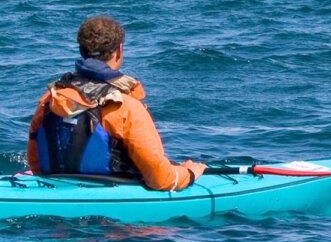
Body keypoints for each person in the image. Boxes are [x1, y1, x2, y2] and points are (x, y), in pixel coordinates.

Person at [26, 15, 206, 190]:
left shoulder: (51, 99)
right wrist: (188, 173)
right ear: (119, 50)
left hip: (55, 188)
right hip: (115, 208)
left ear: (82, 50)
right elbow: (161, 180)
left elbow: (36, 164)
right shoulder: (125, 107)